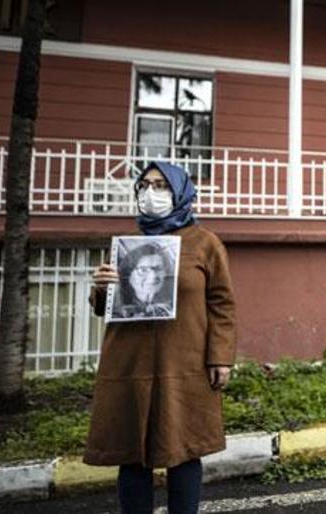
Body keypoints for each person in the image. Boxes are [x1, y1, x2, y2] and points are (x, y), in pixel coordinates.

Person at [86, 161, 236, 514]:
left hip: (184, 363)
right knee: (132, 452)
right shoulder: (130, 245)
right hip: (130, 363)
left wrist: (221, 357)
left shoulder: (204, 243)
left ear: (181, 191)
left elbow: (222, 303)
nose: (152, 193)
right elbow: (106, 306)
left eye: (161, 185)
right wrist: (100, 287)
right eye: (145, 185)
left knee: (183, 450)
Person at [114, 241, 176, 319]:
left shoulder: (170, 307)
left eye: (158, 269)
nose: (152, 276)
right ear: (128, 275)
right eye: (143, 270)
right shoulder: (118, 307)